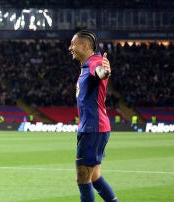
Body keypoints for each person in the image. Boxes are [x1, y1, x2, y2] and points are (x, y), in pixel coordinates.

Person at [68, 30, 118, 202]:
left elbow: (100, 72)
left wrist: (105, 72)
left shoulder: (94, 61)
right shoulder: (86, 65)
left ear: (86, 46)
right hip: (94, 128)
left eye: (73, 44)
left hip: (92, 128)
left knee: (83, 178)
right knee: (95, 176)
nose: (70, 48)